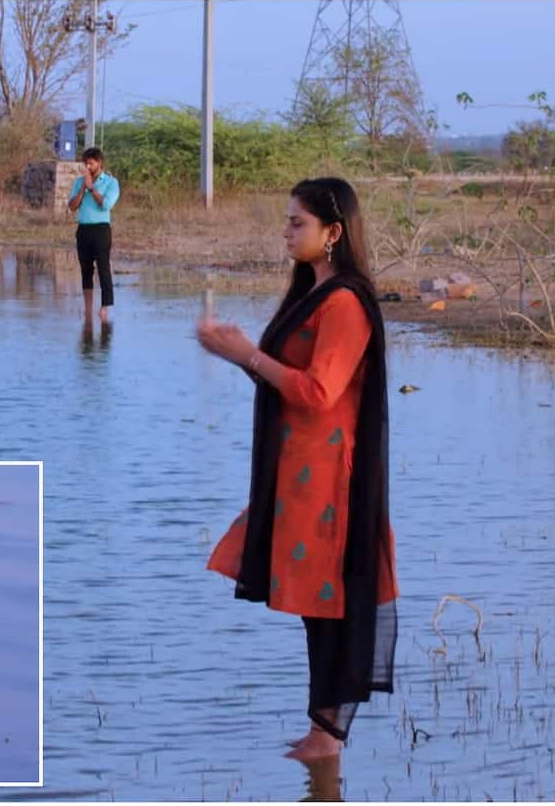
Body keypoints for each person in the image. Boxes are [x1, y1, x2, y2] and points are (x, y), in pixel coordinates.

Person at [196, 177, 398, 761]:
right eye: (286, 221)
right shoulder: (311, 294)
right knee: (313, 601)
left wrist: (247, 355)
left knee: (331, 598)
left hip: (329, 478)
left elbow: (317, 390)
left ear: (333, 233)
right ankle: (322, 733)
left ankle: (329, 734)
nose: (286, 231)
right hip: (296, 474)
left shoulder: (345, 303)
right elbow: (286, 380)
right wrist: (243, 358)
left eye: (297, 223)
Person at [68, 147, 121, 323]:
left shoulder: (111, 182)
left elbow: (106, 205)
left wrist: (92, 189)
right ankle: (88, 309)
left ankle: (105, 307)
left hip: (101, 229)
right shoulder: (79, 182)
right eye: (86, 163)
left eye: (91, 163)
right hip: (83, 229)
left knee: (103, 268)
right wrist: (83, 187)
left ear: (99, 163)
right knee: (86, 270)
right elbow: (72, 206)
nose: (88, 166)